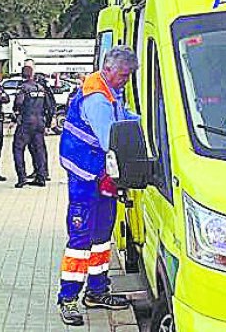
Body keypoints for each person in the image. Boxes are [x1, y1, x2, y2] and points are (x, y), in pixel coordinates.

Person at [56, 45, 140, 326]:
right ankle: (68, 299)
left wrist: (145, 124)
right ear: (108, 69)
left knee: (102, 236)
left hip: (100, 173)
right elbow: (110, 139)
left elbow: (122, 117)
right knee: (80, 241)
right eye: (124, 75)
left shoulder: (108, 91)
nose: (126, 80)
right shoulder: (97, 99)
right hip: (85, 175)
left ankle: (96, 291)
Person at [11, 63, 50, 188]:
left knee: (18, 148)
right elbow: (48, 106)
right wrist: (47, 123)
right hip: (39, 122)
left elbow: (18, 103)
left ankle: (22, 178)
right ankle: (41, 177)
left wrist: (15, 115)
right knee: (39, 150)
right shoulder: (41, 88)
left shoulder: (23, 88)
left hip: (26, 122)